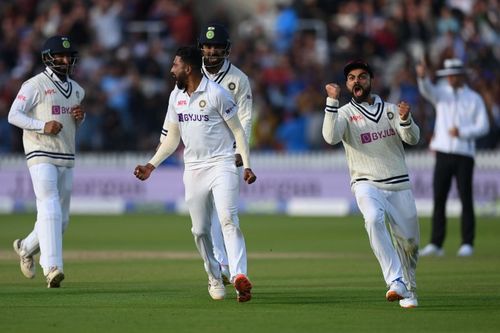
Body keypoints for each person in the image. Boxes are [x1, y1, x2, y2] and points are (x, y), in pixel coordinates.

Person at [134, 46, 256, 302]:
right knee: (200, 230)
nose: (171, 70)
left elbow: (238, 132)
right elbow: (171, 139)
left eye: (175, 65)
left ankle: (239, 276)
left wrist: (246, 165)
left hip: (222, 164)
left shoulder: (217, 94)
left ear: (187, 68)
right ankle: (214, 276)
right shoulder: (175, 97)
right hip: (194, 169)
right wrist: (151, 165)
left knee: (227, 219)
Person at [322, 60, 421, 308]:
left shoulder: (390, 110)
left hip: (398, 183)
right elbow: (331, 137)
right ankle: (395, 280)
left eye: (362, 77)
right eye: (352, 78)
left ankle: (408, 288)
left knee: (409, 244)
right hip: (365, 181)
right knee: (373, 219)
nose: (357, 81)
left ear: (371, 81)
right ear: (347, 84)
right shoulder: (344, 113)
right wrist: (331, 102)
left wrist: (406, 119)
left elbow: (413, 138)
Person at [8, 35, 85, 288]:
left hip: (66, 155)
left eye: (68, 56)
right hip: (40, 153)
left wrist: (79, 117)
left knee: (60, 221)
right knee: (49, 205)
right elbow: (13, 115)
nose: (65, 60)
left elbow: (71, 119)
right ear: (48, 58)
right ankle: (52, 267)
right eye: (59, 56)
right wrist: (42, 125)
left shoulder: (77, 89)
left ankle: (25, 247)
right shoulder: (34, 85)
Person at [197, 23, 253, 285]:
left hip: (226, 154)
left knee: (227, 214)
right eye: (208, 47)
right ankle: (222, 262)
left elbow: (246, 118)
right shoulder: (193, 75)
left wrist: (242, 151)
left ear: (226, 50)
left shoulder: (238, 80)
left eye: (217, 47)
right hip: (198, 156)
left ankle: (236, 269)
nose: (211, 52)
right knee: (205, 219)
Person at [416, 58, 489, 257]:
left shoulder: (474, 98)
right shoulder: (441, 93)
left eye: (453, 75)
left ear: (461, 76)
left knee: (466, 198)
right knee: (439, 199)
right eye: (448, 75)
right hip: (442, 153)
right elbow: (426, 90)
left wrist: (463, 132)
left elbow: (484, 126)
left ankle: (467, 243)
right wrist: (422, 77)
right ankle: (436, 244)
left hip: (464, 153)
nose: (450, 78)